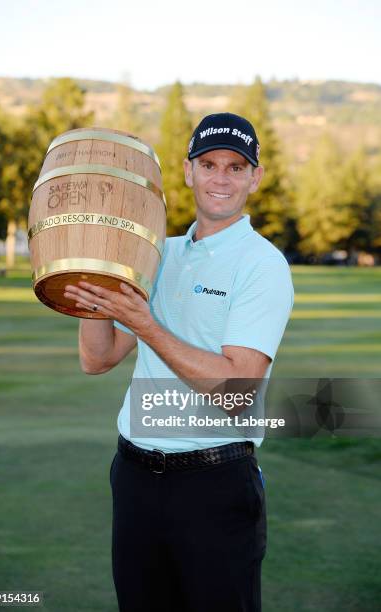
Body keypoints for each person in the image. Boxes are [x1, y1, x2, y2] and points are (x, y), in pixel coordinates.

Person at [64, 112, 294, 612]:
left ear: (255, 177)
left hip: (214, 485)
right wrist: (92, 287)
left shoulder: (262, 265)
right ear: (188, 172)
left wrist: (147, 325)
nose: (221, 178)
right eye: (209, 164)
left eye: (236, 167)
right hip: (134, 476)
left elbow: (239, 391)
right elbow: (96, 359)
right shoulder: (156, 254)